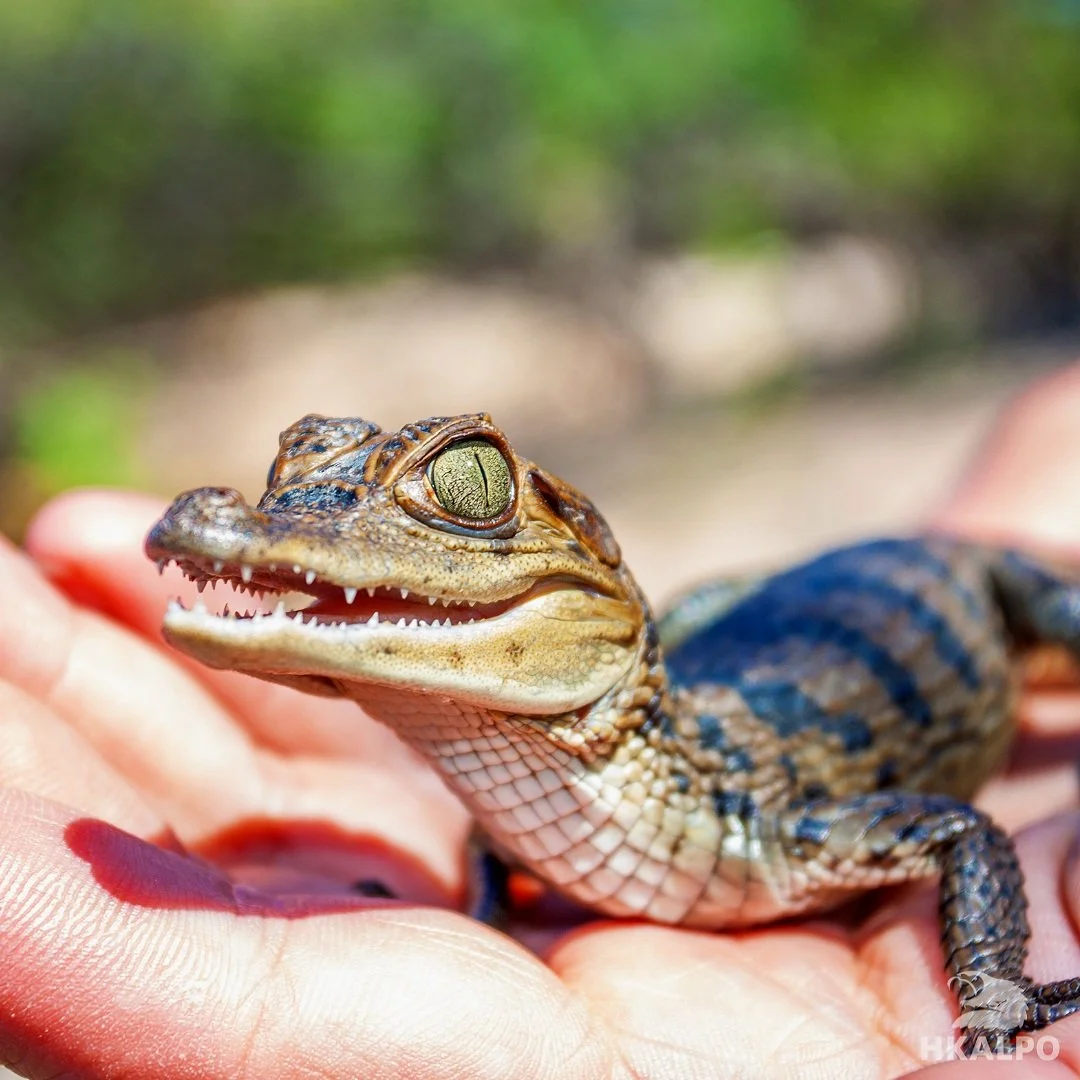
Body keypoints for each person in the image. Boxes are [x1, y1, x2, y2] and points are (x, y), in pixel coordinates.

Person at [3, 366, 1080, 1080]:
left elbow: (955, 831)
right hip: (757, 623)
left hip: (956, 591)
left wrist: (991, 1002)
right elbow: (497, 825)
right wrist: (490, 900)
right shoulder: (508, 802)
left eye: (463, 488)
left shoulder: (772, 829)